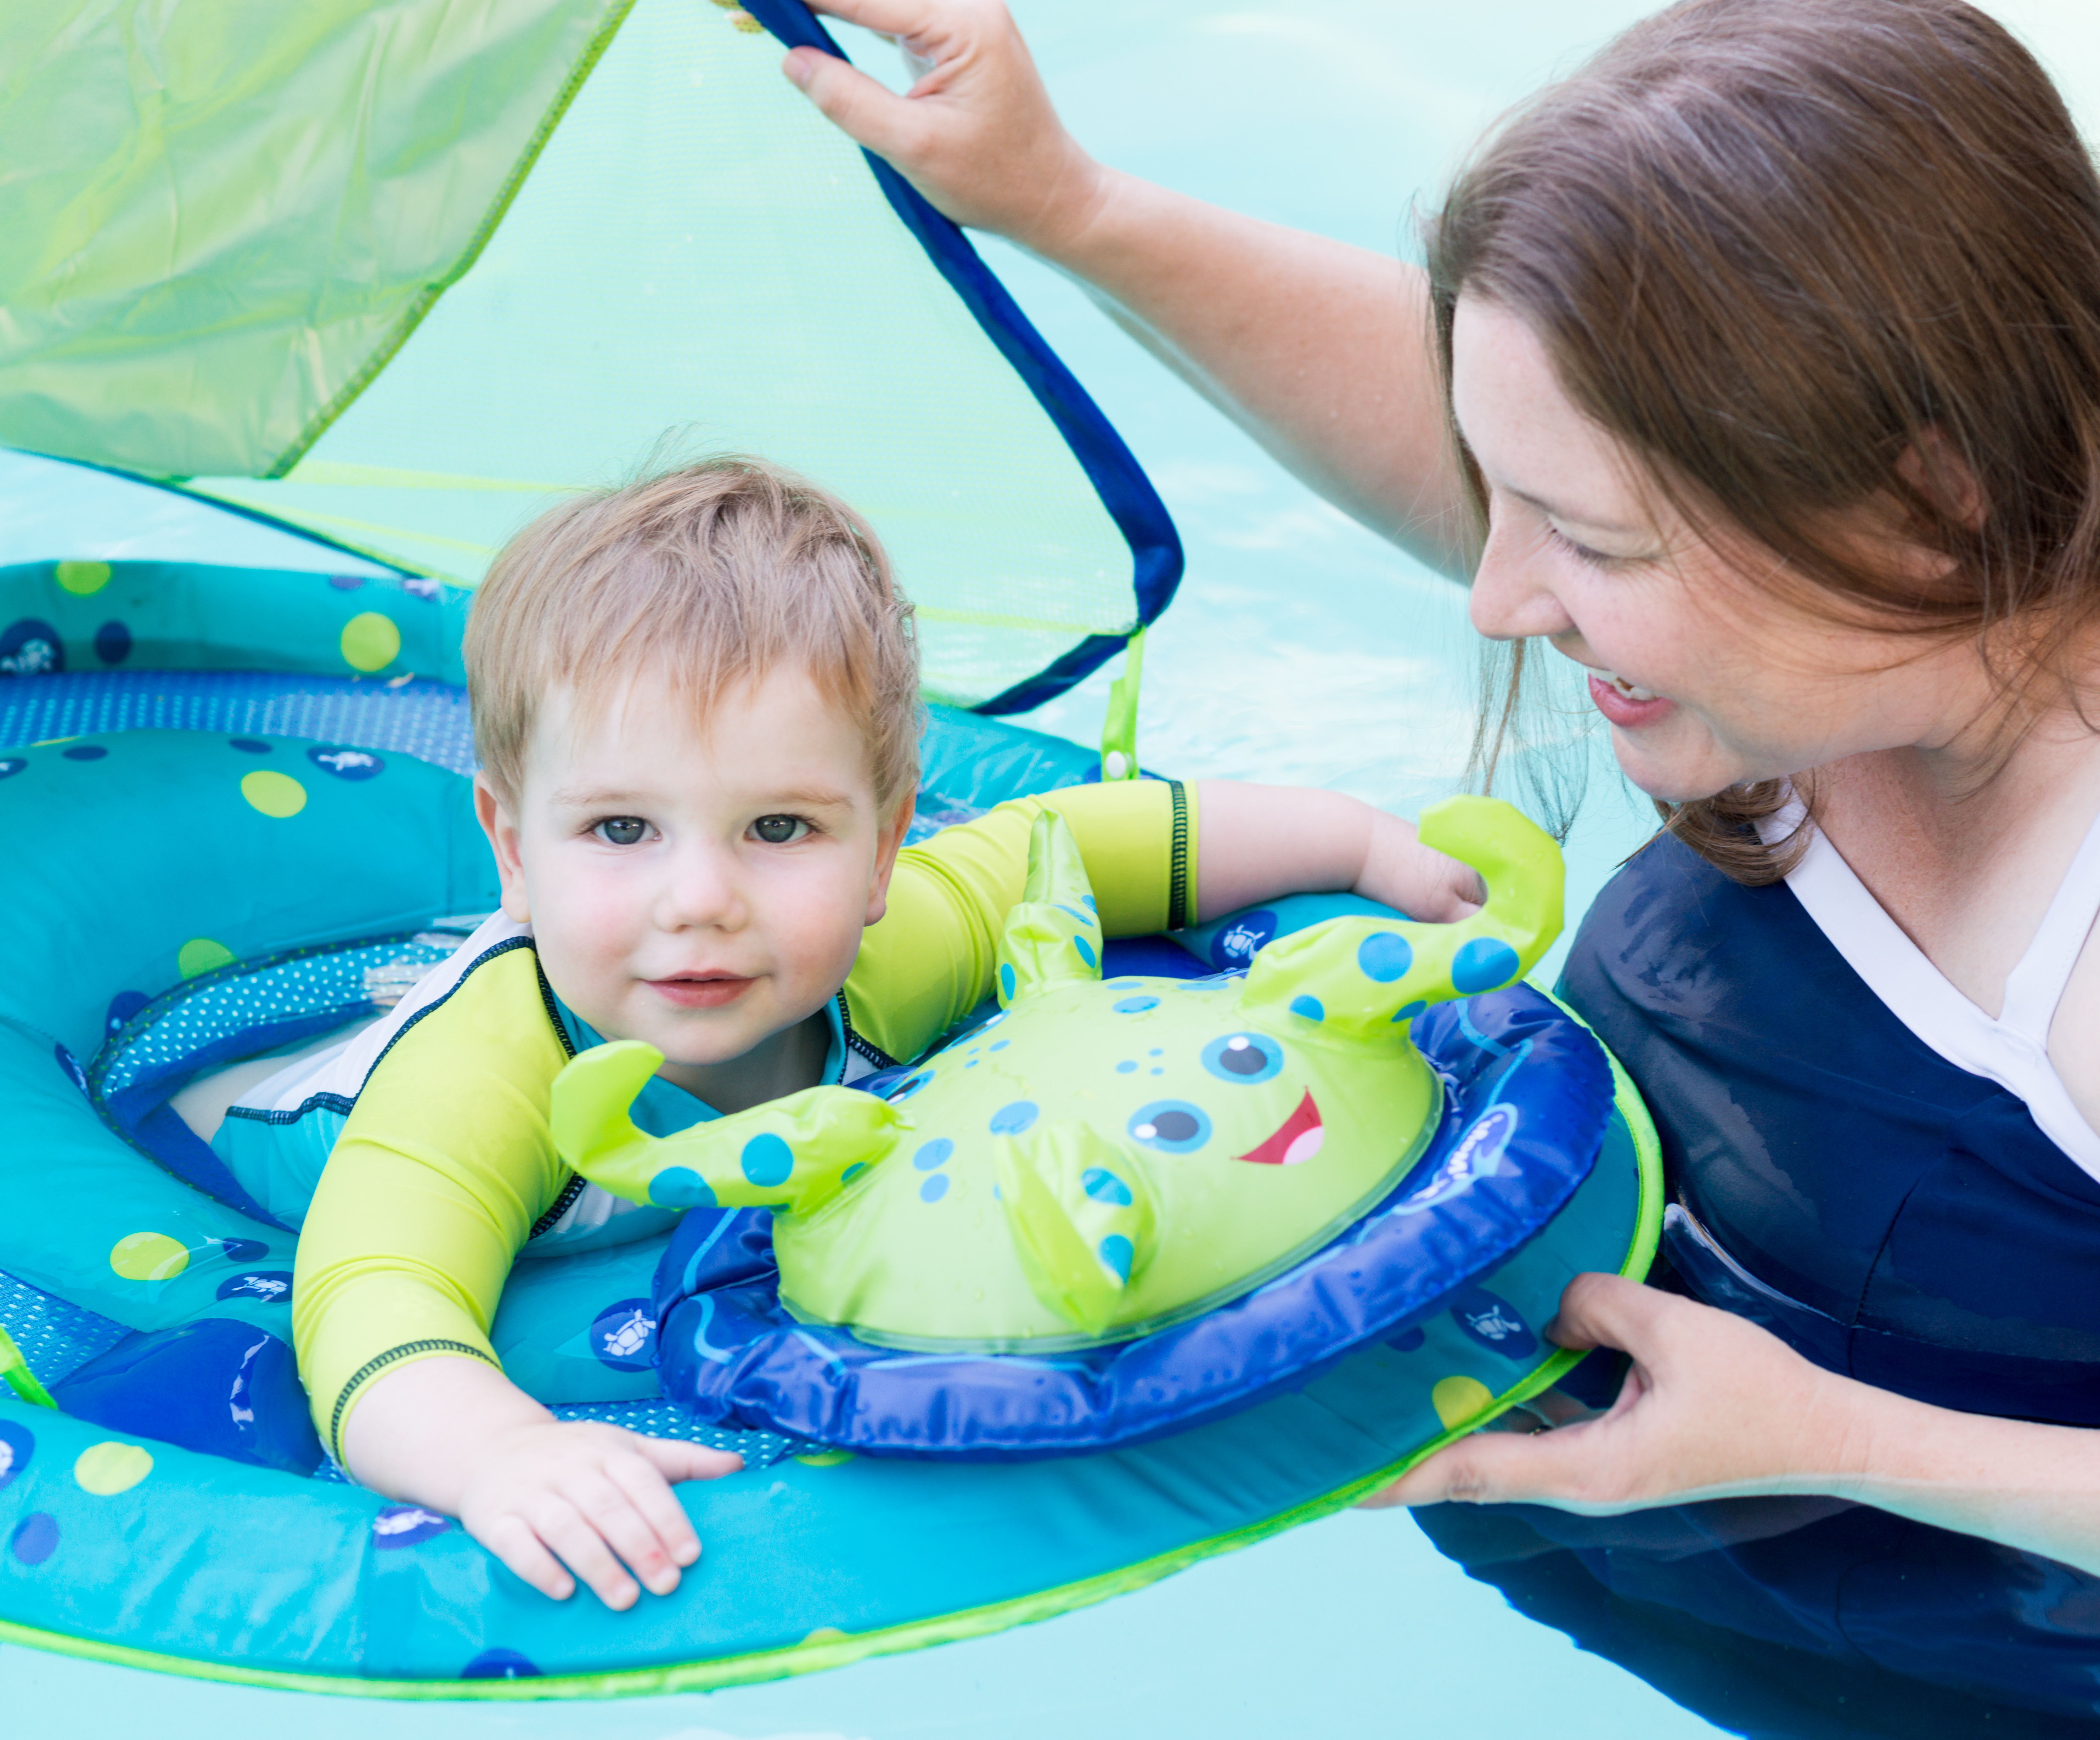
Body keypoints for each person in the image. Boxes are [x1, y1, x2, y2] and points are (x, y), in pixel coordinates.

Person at [776, 0, 2100, 1592]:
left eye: (1592, 543)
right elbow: (1521, 441)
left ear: (1924, 501)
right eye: (1506, 497)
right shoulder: (1908, 592)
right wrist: (1068, 203)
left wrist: (1849, 1440)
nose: (1495, 598)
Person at [265, 456, 1483, 1610]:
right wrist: (500, 1455)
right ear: (515, 849)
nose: (703, 899)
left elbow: (1093, 843)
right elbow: (372, 1298)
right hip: (293, 1122)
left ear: (885, 846)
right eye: (623, 831)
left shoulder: (888, 954)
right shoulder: (485, 1080)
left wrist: (1366, 847)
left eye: (781, 830)